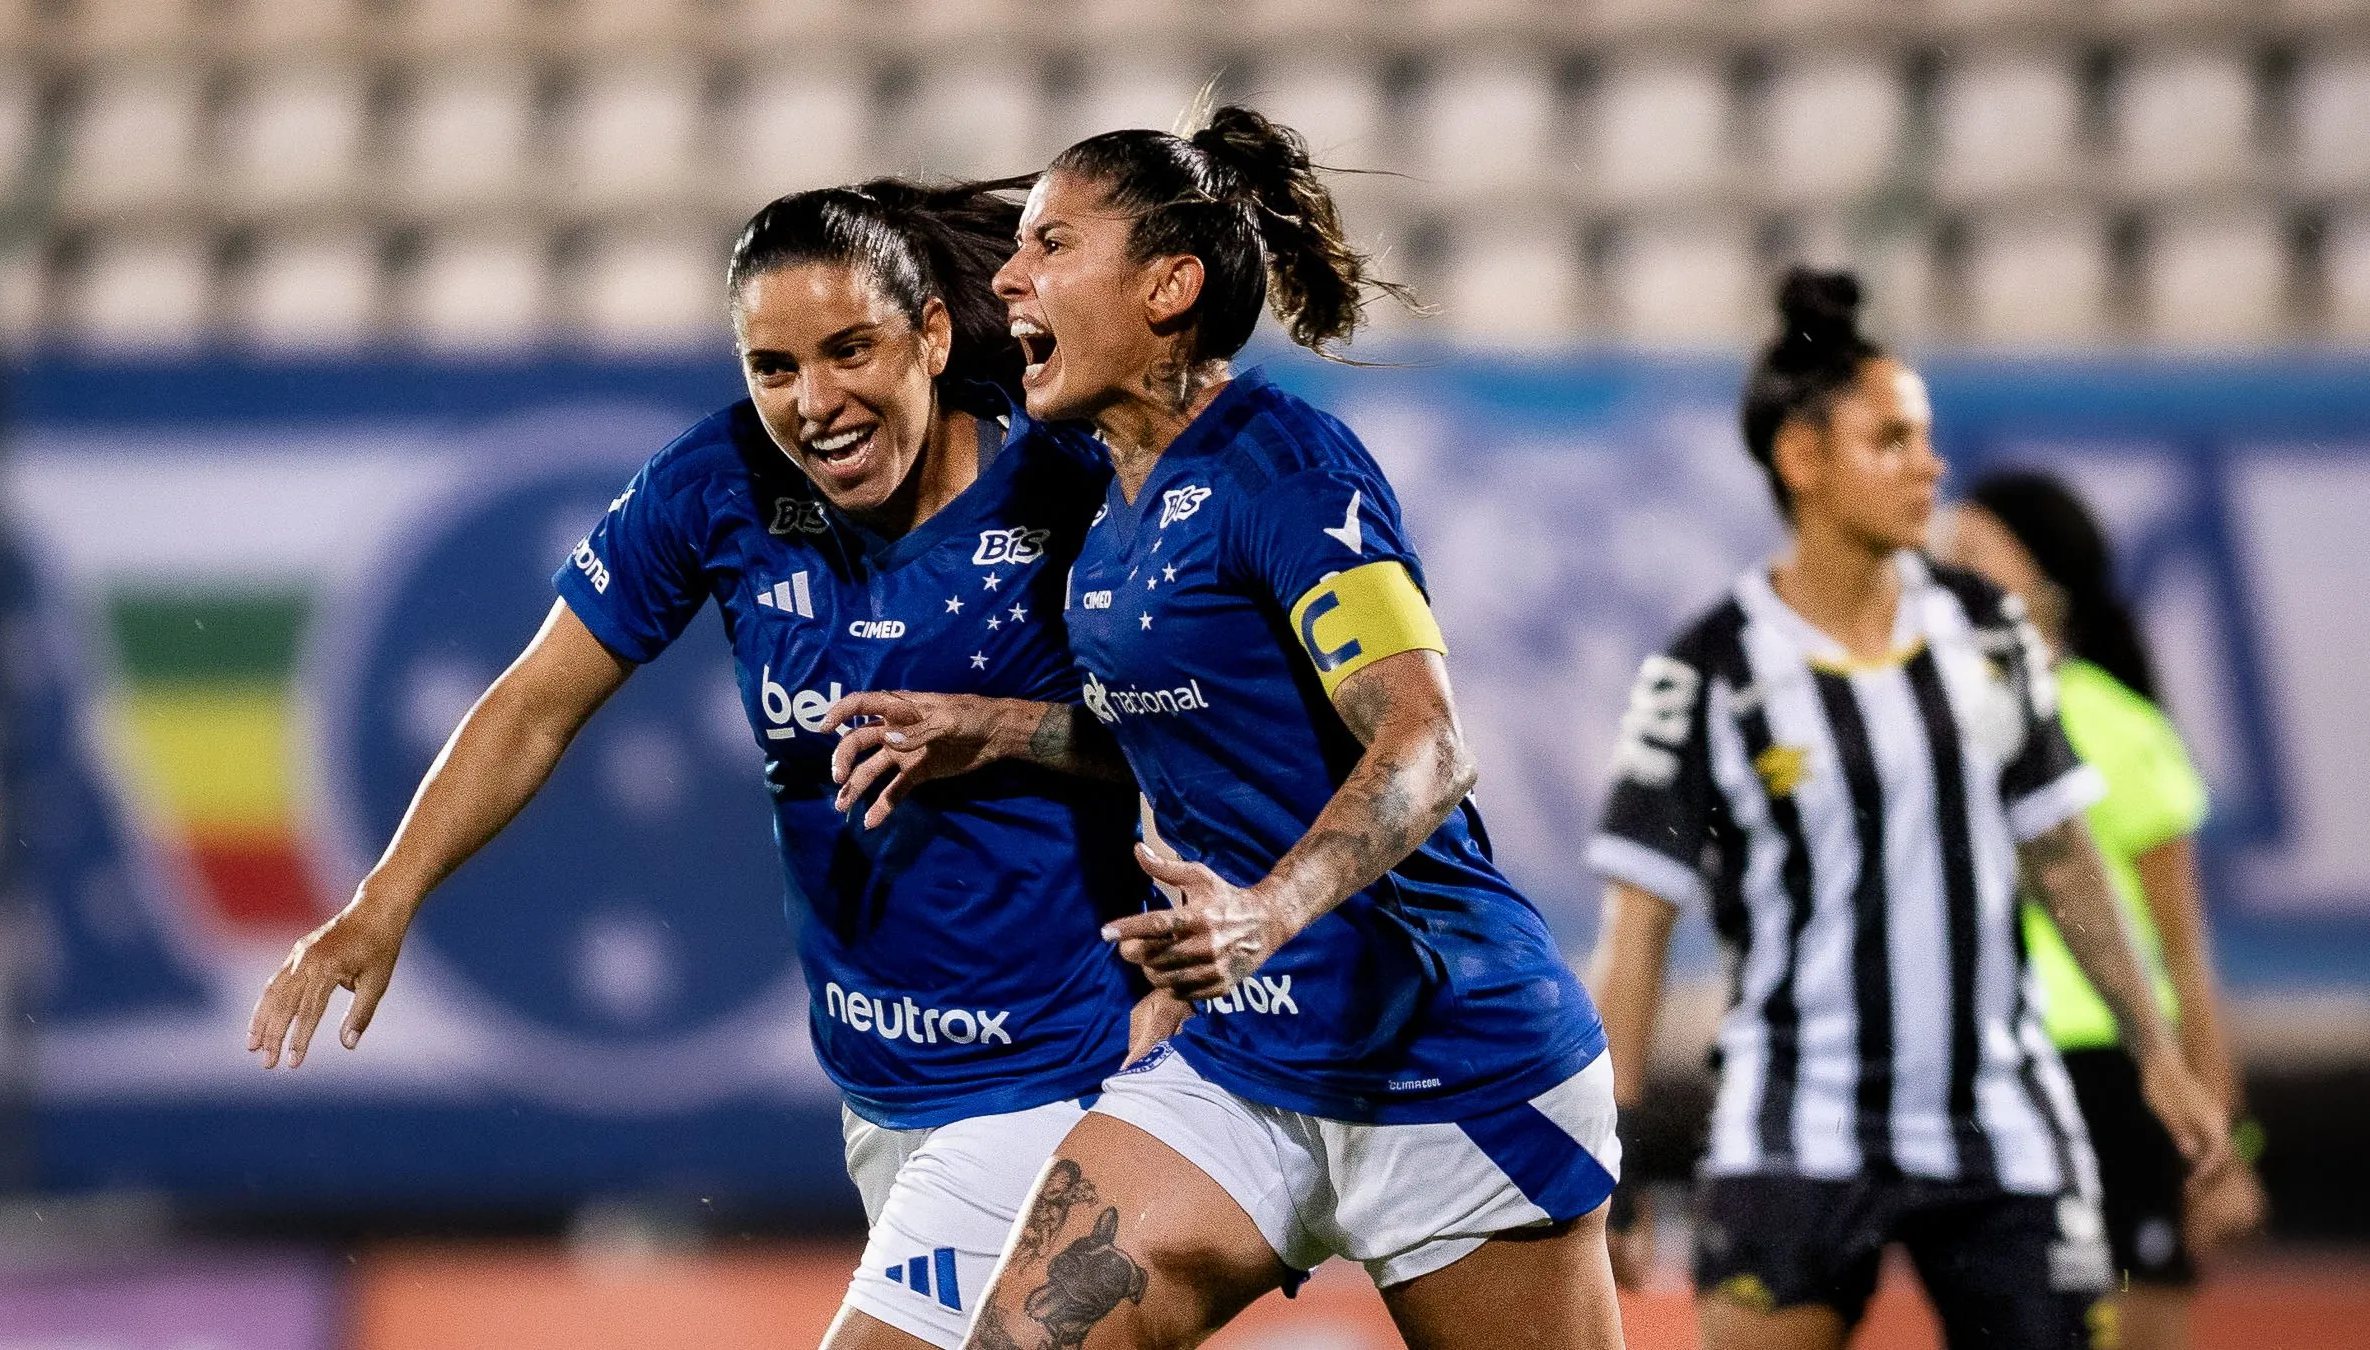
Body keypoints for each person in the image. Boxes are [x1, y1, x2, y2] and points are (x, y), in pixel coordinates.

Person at [246, 179, 1167, 1350]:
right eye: (773, 367)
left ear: (932, 336)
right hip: (883, 1092)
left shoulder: (1068, 485)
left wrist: (1001, 732)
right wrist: (383, 901)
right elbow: (533, 704)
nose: (815, 403)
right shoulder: (718, 483)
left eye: (850, 351)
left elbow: (1195, 744)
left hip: (1064, 1070)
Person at [817, 106, 1625, 1350]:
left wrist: (1267, 910)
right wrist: (998, 730)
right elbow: (1178, 741)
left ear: (1169, 287)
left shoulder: (1288, 473)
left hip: (1443, 1052)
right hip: (1244, 1061)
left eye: (1051, 244)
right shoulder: (1112, 510)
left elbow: (1425, 743)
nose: (1011, 276)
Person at [1582, 269, 2232, 1350]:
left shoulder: (1985, 633)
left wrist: (2162, 1065)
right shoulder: (1707, 674)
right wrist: (1612, 1159)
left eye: (1925, 438)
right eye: (1893, 440)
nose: (1931, 465)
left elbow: (2063, 858)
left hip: (2001, 1123)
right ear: (1802, 460)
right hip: (1796, 1124)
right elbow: (1636, 933)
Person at [1939, 473, 2265, 1350]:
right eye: (1940, 557)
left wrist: (2229, 1140)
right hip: (1985, 1072)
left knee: (2140, 1333)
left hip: (2112, 1071)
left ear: (2043, 582)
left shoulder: (2117, 728)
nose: (1943, 576)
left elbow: (2184, 952)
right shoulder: (1931, 720)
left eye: (1971, 555)